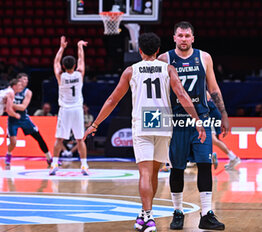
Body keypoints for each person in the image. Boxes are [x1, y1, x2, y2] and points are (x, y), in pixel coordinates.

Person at [84, 32, 205, 232]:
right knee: (154, 172)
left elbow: (112, 100)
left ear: (140, 50)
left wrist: (95, 124)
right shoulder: (168, 68)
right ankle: (145, 212)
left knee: (145, 173)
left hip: (143, 122)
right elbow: (182, 96)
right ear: (158, 51)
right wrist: (197, 121)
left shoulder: (131, 71)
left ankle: (148, 217)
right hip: (163, 123)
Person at [158, 21, 227, 231]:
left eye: (187, 36)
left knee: (205, 165)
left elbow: (213, 88)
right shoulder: (165, 59)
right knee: (176, 168)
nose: (184, 39)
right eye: (180, 35)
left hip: (203, 118)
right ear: (174, 38)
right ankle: (177, 212)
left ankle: (206, 213)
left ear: (193, 38)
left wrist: (223, 113)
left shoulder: (204, 57)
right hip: (176, 121)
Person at [50, 36, 88, 175]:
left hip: (65, 110)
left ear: (64, 66)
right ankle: (84, 165)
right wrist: (80, 46)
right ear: (74, 66)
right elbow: (82, 60)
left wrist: (61, 47)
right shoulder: (80, 74)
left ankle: (54, 164)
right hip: (77, 110)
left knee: (59, 139)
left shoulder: (61, 76)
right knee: (79, 139)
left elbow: (55, 62)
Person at [5, 73, 54, 167]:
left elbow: (23, 107)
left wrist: (9, 104)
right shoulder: (10, 90)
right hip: (12, 119)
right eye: (24, 79)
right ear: (18, 80)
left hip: (24, 118)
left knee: (38, 137)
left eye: (27, 80)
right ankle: (8, 154)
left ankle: (49, 158)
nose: (26, 81)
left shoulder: (28, 92)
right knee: (13, 142)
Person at [208, 92, 240, 170]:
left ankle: (233, 157)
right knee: (210, 138)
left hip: (211, 115)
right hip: (212, 114)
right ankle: (210, 155)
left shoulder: (201, 90)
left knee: (213, 139)